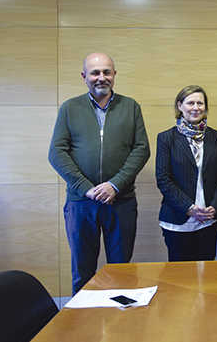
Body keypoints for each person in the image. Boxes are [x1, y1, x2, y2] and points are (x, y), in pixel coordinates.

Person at [48, 52, 149, 294]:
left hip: (121, 202)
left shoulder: (130, 106)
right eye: (95, 72)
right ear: (84, 76)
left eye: (106, 72)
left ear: (114, 75)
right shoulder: (70, 108)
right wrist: (87, 188)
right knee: (82, 271)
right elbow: (57, 153)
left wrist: (114, 185)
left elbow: (141, 149)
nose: (101, 77)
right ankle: (81, 327)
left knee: (121, 270)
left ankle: (121, 325)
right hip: (81, 203)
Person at [155, 85, 217, 262]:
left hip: (210, 220)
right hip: (178, 221)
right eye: (190, 103)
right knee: (182, 279)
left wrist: (215, 206)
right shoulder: (166, 138)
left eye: (200, 103)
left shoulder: (215, 136)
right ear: (179, 106)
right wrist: (189, 208)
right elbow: (164, 179)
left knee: (210, 276)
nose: (196, 108)